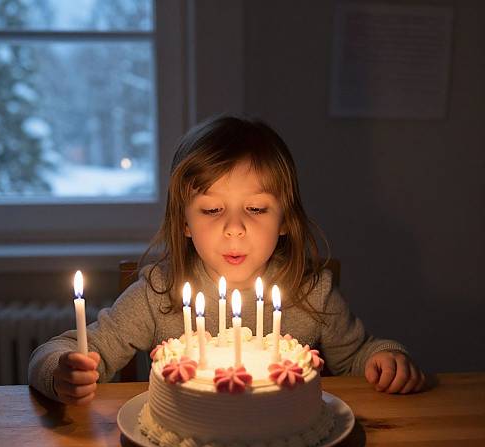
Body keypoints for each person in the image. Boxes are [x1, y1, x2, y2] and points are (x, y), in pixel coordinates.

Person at [28, 115, 425, 405]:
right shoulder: (158, 293)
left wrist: (387, 359)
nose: (234, 229)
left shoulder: (311, 293)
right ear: (184, 222)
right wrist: (61, 371)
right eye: (212, 211)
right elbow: (67, 349)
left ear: (284, 220)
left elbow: (358, 356)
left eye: (255, 209)